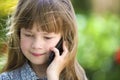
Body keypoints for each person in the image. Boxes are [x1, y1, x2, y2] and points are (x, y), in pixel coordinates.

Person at [0, 0, 88, 80]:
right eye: (28, 35)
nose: (36, 45)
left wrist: (52, 75)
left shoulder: (77, 77)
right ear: (18, 34)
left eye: (47, 37)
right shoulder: (7, 78)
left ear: (64, 38)